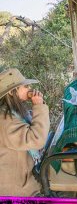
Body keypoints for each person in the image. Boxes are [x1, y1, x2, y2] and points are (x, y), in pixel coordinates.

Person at [0, 68, 50, 196]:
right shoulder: (5, 120)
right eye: (25, 86)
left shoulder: (13, 112)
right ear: (12, 92)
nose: (29, 88)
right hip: (16, 190)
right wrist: (39, 106)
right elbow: (36, 139)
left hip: (24, 180)